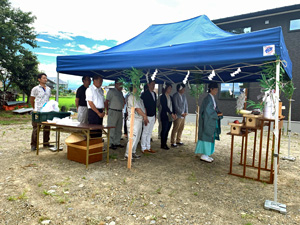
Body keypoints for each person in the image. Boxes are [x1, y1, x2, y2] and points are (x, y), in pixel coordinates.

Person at [195, 82, 223, 163]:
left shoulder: (211, 98)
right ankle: (204, 154)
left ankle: (207, 154)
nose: (217, 91)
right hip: (207, 121)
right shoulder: (207, 99)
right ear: (211, 89)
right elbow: (208, 110)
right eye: (216, 89)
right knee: (206, 136)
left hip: (210, 120)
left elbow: (214, 108)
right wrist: (216, 114)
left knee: (210, 137)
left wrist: (218, 112)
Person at [124, 86, 149, 160]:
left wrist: (144, 116)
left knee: (137, 138)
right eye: (137, 87)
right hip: (133, 120)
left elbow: (142, 108)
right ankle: (127, 154)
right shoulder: (131, 96)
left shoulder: (138, 97)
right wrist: (144, 116)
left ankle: (133, 152)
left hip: (139, 120)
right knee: (133, 137)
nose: (139, 89)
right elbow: (137, 109)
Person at [30, 73, 53, 151]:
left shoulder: (49, 89)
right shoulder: (35, 89)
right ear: (39, 79)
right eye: (43, 78)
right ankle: (34, 144)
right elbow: (32, 99)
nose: (45, 79)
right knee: (36, 128)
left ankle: (46, 143)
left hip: (46, 111)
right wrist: (34, 108)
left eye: (46, 78)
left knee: (47, 127)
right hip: (38, 111)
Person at [104, 81, 125, 150]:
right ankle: (110, 143)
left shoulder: (121, 93)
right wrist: (107, 110)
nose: (121, 86)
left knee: (119, 127)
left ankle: (117, 142)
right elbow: (106, 101)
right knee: (112, 127)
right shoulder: (111, 91)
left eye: (122, 84)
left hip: (119, 111)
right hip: (113, 110)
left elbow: (123, 102)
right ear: (116, 84)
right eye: (120, 84)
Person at [141, 79, 157, 153]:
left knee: (150, 132)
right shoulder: (144, 94)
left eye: (154, 84)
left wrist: (155, 115)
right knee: (145, 131)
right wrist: (145, 116)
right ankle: (143, 147)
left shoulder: (154, 94)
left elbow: (155, 106)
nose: (153, 86)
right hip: (147, 115)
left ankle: (148, 146)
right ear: (148, 84)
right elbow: (144, 106)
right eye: (152, 84)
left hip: (153, 115)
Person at [171, 83, 188, 147]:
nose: (184, 90)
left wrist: (186, 112)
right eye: (183, 88)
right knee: (175, 128)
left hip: (183, 115)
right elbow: (175, 106)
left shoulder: (184, 96)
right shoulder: (175, 95)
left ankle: (178, 140)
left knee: (181, 128)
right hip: (178, 115)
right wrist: (181, 113)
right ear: (179, 89)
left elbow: (186, 104)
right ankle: (173, 142)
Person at [160, 83, 177, 150]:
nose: (170, 89)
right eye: (169, 88)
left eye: (171, 88)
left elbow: (173, 106)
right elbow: (164, 107)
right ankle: (162, 144)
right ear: (166, 88)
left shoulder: (171, 97)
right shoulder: (162, 97)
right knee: (164, 130)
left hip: (170, 116)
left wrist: (174, 113)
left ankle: (165, 143)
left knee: (167, 130)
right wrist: (171, 113)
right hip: (165, 115)